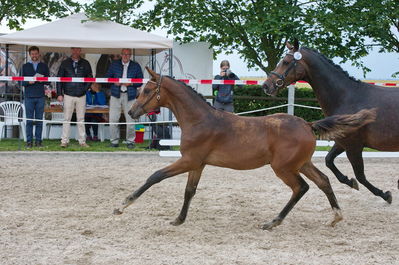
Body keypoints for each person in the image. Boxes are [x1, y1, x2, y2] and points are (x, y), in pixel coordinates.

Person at [105, 48, 143, 148]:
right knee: (113, 119)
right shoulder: (114, 64)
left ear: (130, 55)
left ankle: (130, 141)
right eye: (124, 54)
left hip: (130, 95)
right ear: (121, 55)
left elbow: (140, 81)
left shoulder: (135, 65)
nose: (126, 56)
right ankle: (114, 141)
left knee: (130, 119)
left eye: (128, 54)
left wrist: (130, 83)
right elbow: (107, 77)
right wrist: (114, 82)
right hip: (115, 94)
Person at [56, 47, 93, 148]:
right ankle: (64, 141)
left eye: (78, 50)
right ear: (71, 50)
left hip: (81, 95)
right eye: (74, 50)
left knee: (81, 119)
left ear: (80, 51)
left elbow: (90, 78)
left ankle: (82, 141)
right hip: (68, 94)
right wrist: (59, 93)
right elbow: (59, 79)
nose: (76, 52)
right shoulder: (65, 63)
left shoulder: (86, 63)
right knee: (66, 118)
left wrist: (84, 89)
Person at [21, 46, 50, 148]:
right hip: (28, 96)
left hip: (40, 96)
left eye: (36, 54)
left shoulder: (44, 66)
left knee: (39, 120)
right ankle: (29, 142)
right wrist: (29, 81)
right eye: (32, 54)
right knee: (29, 120)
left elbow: (48, 80)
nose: (34, 56)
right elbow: (21, 82)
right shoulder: (24, 66)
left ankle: (38, 142)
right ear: (30, 55)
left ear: (39, 54)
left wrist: (43, 81)